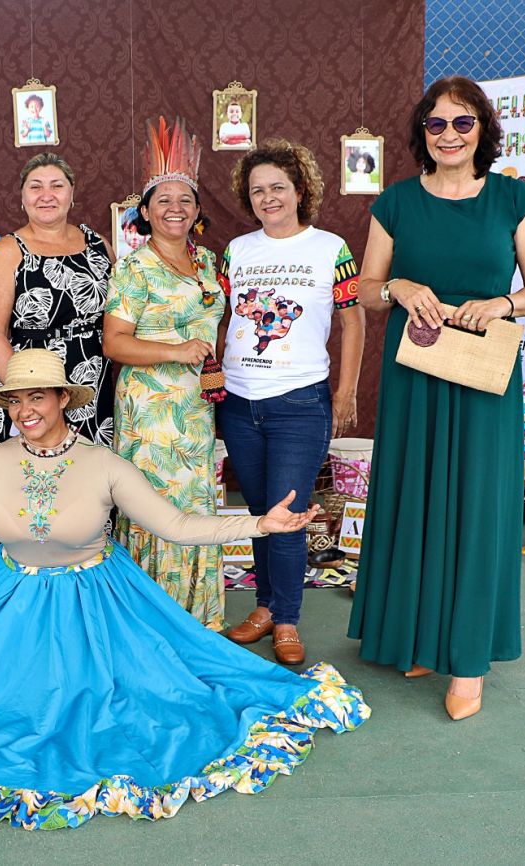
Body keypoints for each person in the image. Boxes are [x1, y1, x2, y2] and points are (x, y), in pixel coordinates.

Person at [0, 349, 369, 829]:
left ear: (64, 398)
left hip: (98, 604)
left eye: (37, 396)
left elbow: (178, 526)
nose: (25, 410)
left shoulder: (104, 465)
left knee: (137, 704)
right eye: (15, 399)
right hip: (12, 604)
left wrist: (260, 524)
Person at [347, 76, 525, 720]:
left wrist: (503, 303)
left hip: (485, 373)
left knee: (475, 502)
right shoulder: (396, 203)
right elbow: (366, 289)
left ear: (482, 130)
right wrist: (400, 287)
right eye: (435, 124)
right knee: (415, 495)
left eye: (462, 122)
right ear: (422, 133)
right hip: (415, 370)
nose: (449, 135)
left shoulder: (515, 200)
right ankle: (418, 637)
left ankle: (466, 659)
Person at [216, 139, 366, 666]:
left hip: (300, 402)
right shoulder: (237, 250)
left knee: (288, 511)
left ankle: (286, 619)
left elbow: (353, 321)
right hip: (240, 402)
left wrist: (345, 391)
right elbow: (220, 317)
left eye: (277, 187)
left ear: (300, 191)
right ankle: (263, 607)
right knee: (260, 512)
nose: (268, 198)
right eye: (257, 190)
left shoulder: (330, 248)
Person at [102, 116, 229, 629]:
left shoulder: (209, 261)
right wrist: (176, 352)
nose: (174, 208)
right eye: (163, 200)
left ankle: (197, 620)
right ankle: (150, 620)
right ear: (145, 212)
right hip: (150, 410)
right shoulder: (134, 267)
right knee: (154, 504)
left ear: (197, 211)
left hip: (196, 407)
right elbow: (114, 342)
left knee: (195, 500)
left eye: (185, 200)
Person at [0, 153, 115, 445]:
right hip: (32, 379)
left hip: (93, 378)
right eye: (35, 186)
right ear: (22, 197)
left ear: (72, 193)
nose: (46, 195)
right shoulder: (7, 251)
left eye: (57, 185)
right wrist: (26, 397)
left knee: (90, 465)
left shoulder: (99, 246)